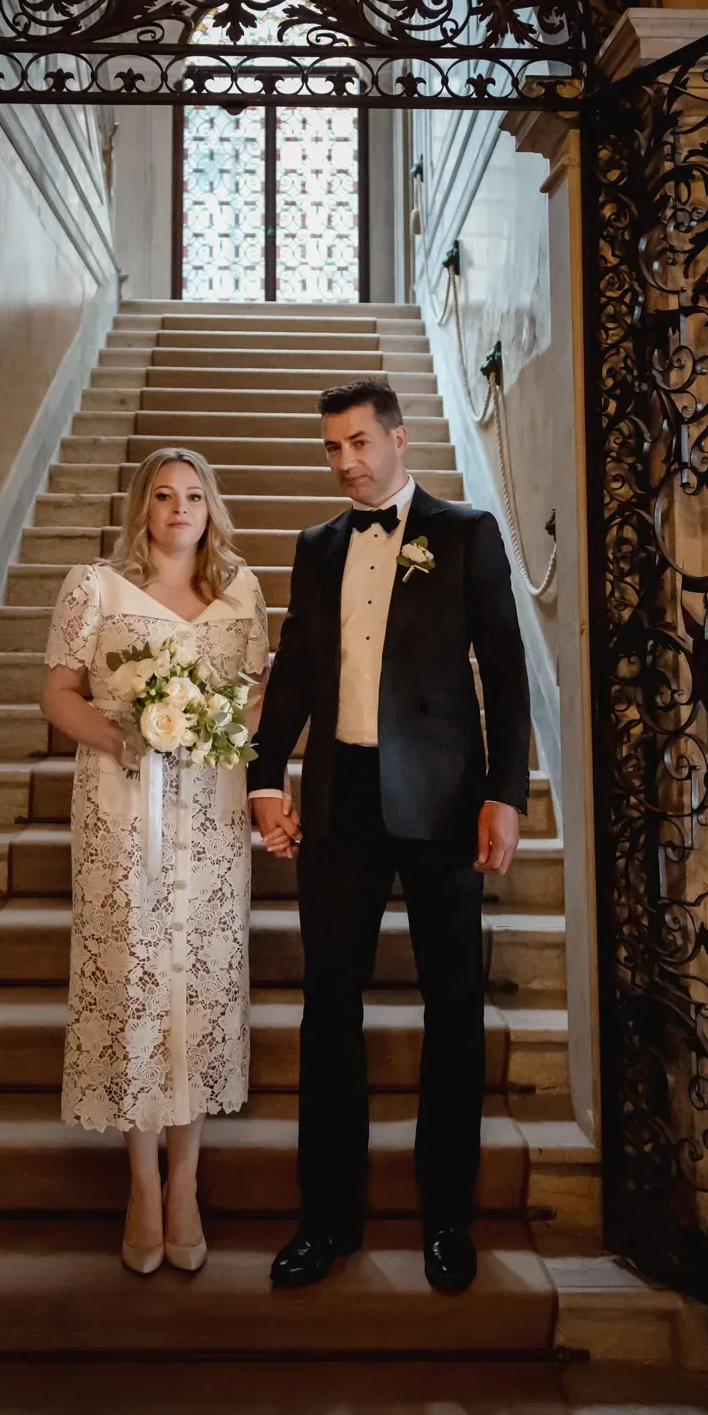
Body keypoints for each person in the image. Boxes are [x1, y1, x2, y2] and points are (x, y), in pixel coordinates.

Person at [248, 378, 529, 1296]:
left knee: (454, 1006)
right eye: (332, 448)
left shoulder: (466, 533)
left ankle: (446, 1219)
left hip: (444, 803)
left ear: (399, 440)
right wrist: (263, 776)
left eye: (359, 443)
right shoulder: (317, 546)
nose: (345, 463)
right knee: (329, 1006)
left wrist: (506, 794)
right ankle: (325, 1221)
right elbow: (295, 669)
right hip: (341, 801)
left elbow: (506, 669)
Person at [42, 447, 268, 1277]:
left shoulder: (242, 592)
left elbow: (257, 694)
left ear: (211, 509)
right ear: (143, 506)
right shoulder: (93, 588)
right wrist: (128, 737)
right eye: (165, 495)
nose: (180, 508)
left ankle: (186, 1185)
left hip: (210, 812)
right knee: (135, 984)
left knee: (197, 986)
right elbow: (58, 693)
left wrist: (213, 731)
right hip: (121, 807)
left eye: (195, 496)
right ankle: (142, 1183)